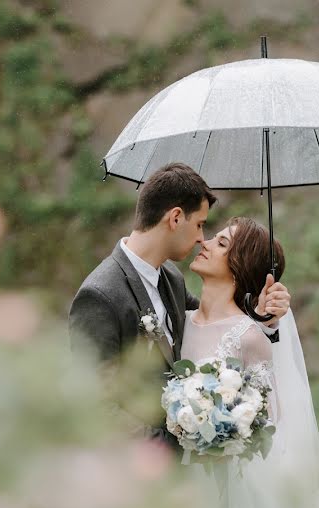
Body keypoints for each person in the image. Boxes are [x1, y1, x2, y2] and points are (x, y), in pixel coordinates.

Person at [171, 217, 319, 508]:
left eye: (223, 244)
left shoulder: (249, 337)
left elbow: (269, 423)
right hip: (181, 484)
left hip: (235, 486)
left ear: (238, 266)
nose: (207, 242)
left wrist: (223, 435)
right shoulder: (178, 322)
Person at [69, 163, 291, 441]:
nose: (201, 239)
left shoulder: (172, 278)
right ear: (175, 218)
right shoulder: (100, 295)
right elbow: (92, 404)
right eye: (199, 224)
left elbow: (216, 324)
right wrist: (172, 452)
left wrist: (264, 317)